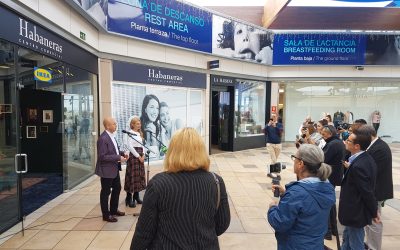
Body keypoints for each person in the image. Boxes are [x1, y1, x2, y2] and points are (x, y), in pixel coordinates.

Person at [130, 128, 230, 249]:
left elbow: (144, 232)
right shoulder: (216, 181)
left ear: (172, 151)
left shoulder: (158, 183)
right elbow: (222, 223)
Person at [268, 144, 335, 250]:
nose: (293, 161)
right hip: (315, 245)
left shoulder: (296, 193)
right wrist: (286, 195)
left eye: (294, 158)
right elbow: (308, 206)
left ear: (301, 164)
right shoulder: (327, 187)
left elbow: (279, 223)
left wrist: (272, 208)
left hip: (295, 245)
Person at [339, 129, 380, 250]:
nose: (345, 141)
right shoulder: (363, 159)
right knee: (347, 239)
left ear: (357, 146)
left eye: (348, 140)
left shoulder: (359, 165)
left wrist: (374, 212)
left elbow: (367, 192)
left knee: (355, 243)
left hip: (355, 213)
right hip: (353, 213)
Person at [360, 125, 393, 250]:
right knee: (371, 220)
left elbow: (372, 169)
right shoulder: (375, 145)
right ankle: (370, 245)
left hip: (377, 190)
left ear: (369, 136)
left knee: (375, 220)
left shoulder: (380, 148)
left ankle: (374, 247)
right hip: (374, 189)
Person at [95, 117, 128, 222]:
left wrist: (122, 153)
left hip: (114, 169)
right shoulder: (103, 138)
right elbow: (102, 157)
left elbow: (114, 150)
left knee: (117, 188)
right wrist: (118, 158)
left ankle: (113, 211)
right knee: (105, 192)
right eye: (114, 124)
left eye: (115, 123)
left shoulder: (112, 136)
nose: (116, 125)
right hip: (106, 170)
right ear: (107, 126)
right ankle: (106, 215)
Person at [320, 125, 346, 240]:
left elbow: (322, 158)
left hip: (330, 176)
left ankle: (328, 231)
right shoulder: (337, 142)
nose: (322, 136)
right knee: (330, 202)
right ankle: (333, 229)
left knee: (327, 203)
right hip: (334, 175)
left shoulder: (333, 144)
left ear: (330, 134)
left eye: (324, 134)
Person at [124, 117, 146, 208]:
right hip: (134, 156)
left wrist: (143, 155)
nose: (139, 125)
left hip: (140, 155)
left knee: (139, 176)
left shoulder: (139, 133)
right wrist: (138, 156)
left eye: (140, 123)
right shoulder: (130, 133)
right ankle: (129, 198)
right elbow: (129, 146)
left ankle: (136, 196)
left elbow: (142, 146)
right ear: (132, 124)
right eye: (137, 123)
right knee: (132, 176)